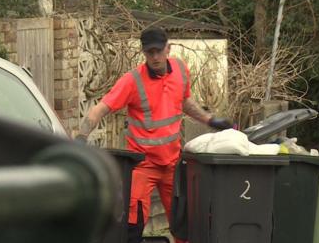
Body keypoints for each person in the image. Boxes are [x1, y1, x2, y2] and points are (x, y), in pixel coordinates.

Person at [76, 27, 233, 243]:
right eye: (150, 52)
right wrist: (80, 139)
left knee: (184, 224)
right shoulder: (132, 81)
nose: (156, 57)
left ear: (168, 48)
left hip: (173, 164)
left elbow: (184, 100)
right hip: (143, 165)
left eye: (159, 51)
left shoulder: (180, 69)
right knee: (132, 223)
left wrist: (209, 119)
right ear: (143, 52)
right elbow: (100, 109)